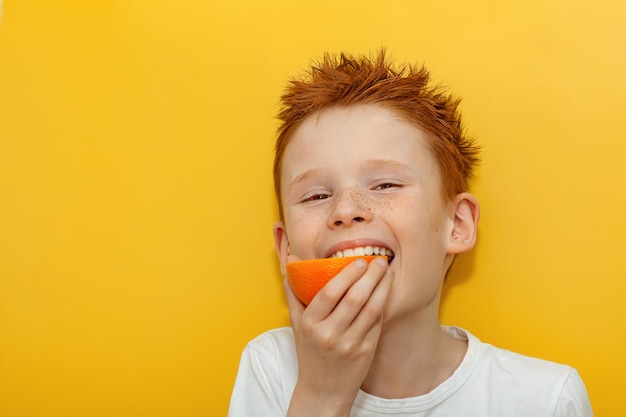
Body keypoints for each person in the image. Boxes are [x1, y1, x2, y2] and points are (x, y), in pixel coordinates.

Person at [228, 50, 593, 416]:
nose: (345, 210)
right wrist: (321, 396)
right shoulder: (270, 368)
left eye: (385, 185)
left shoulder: (545, 399)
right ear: (286, 247)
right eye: (317, 195)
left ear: (458, 225)